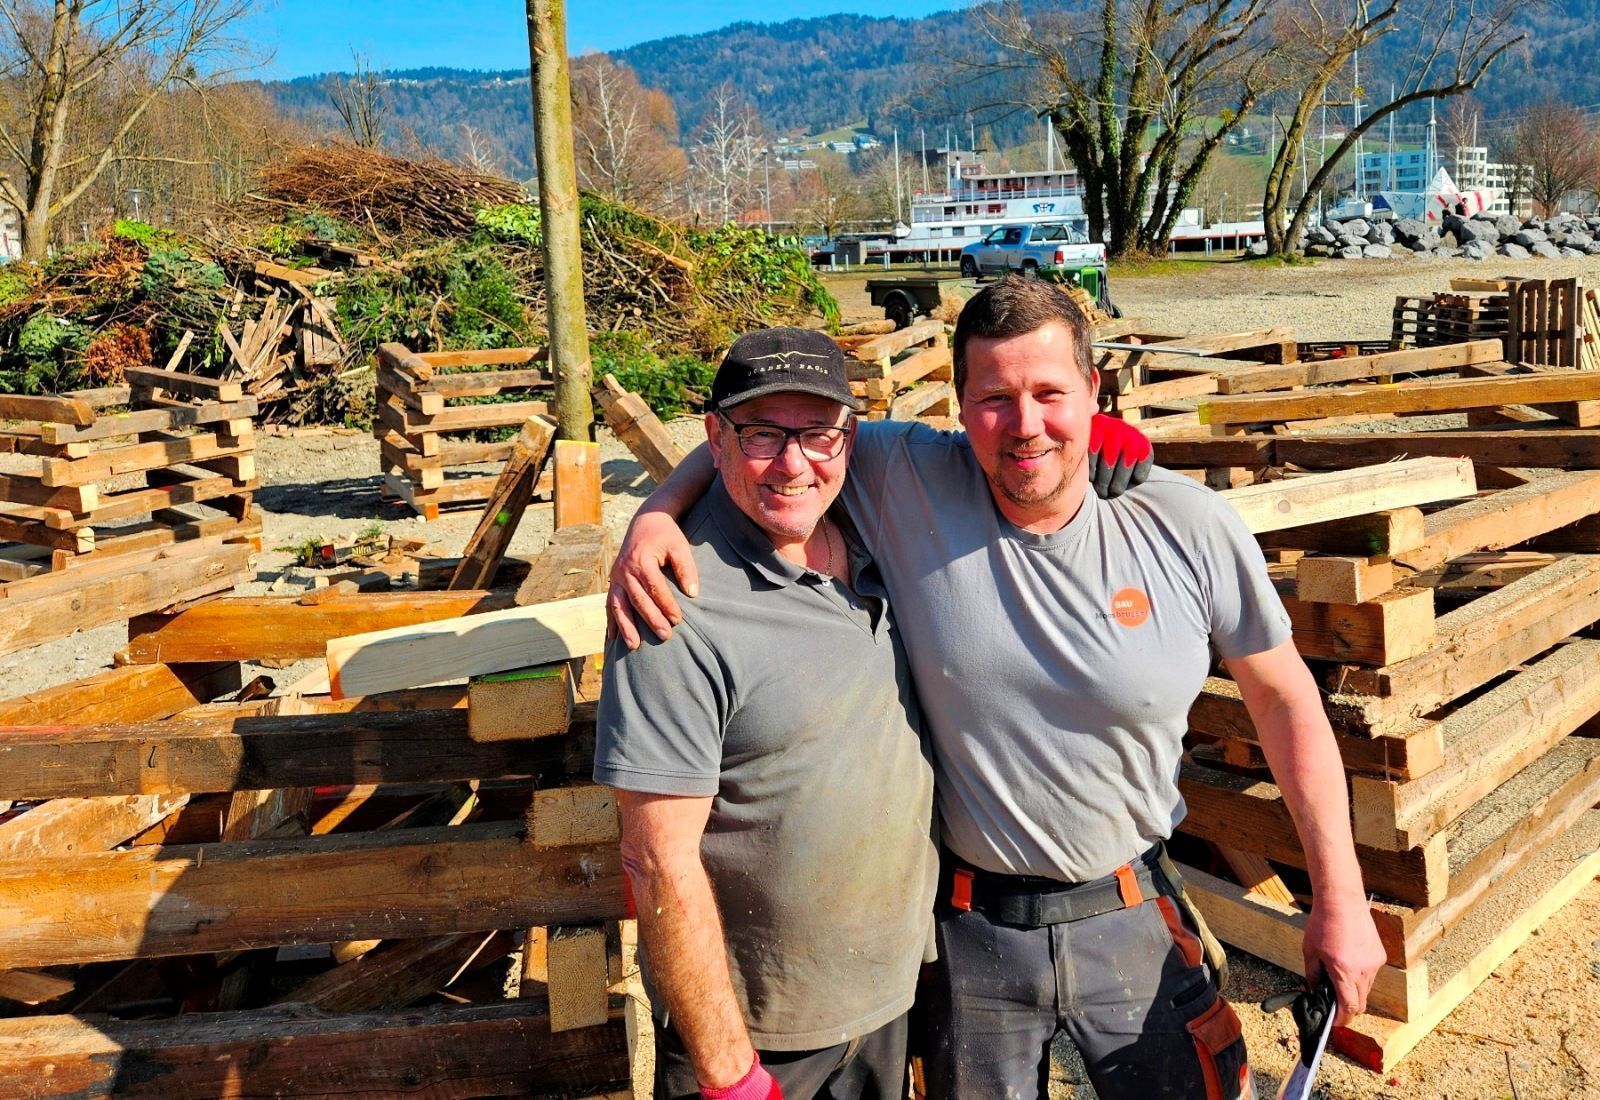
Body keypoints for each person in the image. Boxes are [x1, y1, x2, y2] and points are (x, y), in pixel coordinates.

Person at [609, 277, 1387, 1100]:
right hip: (972, 936)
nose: (1024, 425)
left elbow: (1285, 701)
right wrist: (657, 512)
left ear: (1095, 390)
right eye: (995, 399)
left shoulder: (1186, 525)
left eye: (1050, 393)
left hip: (1135, 910)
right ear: (959, 404)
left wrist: (1340, 897)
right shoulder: (909, 478)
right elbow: (770, 438)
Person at [595, 328, 940, 1100]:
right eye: (761, 434)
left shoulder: (871, 522)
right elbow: (655, 859)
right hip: (760, 1038)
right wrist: (730, 1075)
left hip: (889, 1000)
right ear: (716, 439)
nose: (793, 463)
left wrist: (1103, 442)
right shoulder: (675, 605)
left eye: (816, 432)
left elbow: (1014, 446)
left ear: (848, 438)